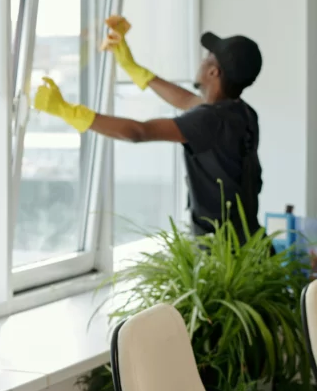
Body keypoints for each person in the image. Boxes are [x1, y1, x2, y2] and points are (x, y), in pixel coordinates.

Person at [32, 15, 264, 242]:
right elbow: (187, 101)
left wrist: (68, 111)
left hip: (225, 251)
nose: (201, 62)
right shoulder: (241, 112)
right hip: (247, 241)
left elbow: (138, 132)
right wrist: (133, 68)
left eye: (207, 58)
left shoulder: (209, 120)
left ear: (214, 72)